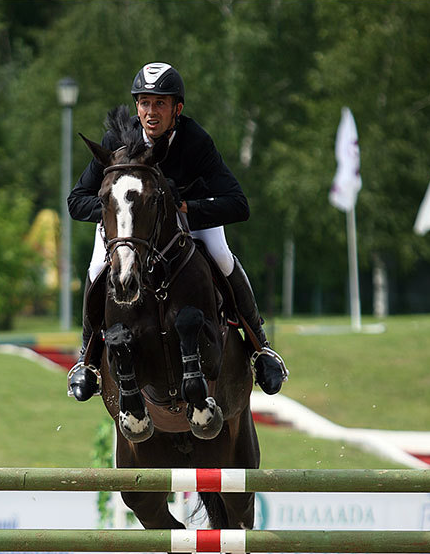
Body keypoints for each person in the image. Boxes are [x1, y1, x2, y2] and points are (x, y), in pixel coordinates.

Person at [66, 62, 288, 401]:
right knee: (97, 268)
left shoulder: (195, 140)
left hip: (188, 221)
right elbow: (75, 201)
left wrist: (189, 209)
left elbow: (238, 203)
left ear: (177, 109)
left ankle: (260, 347)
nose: (151, 112)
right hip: (130, 229)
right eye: (144, 103)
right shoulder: (117, 141)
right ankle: (88, 359)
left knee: (221, 256)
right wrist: (122, 212)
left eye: (160, 103)